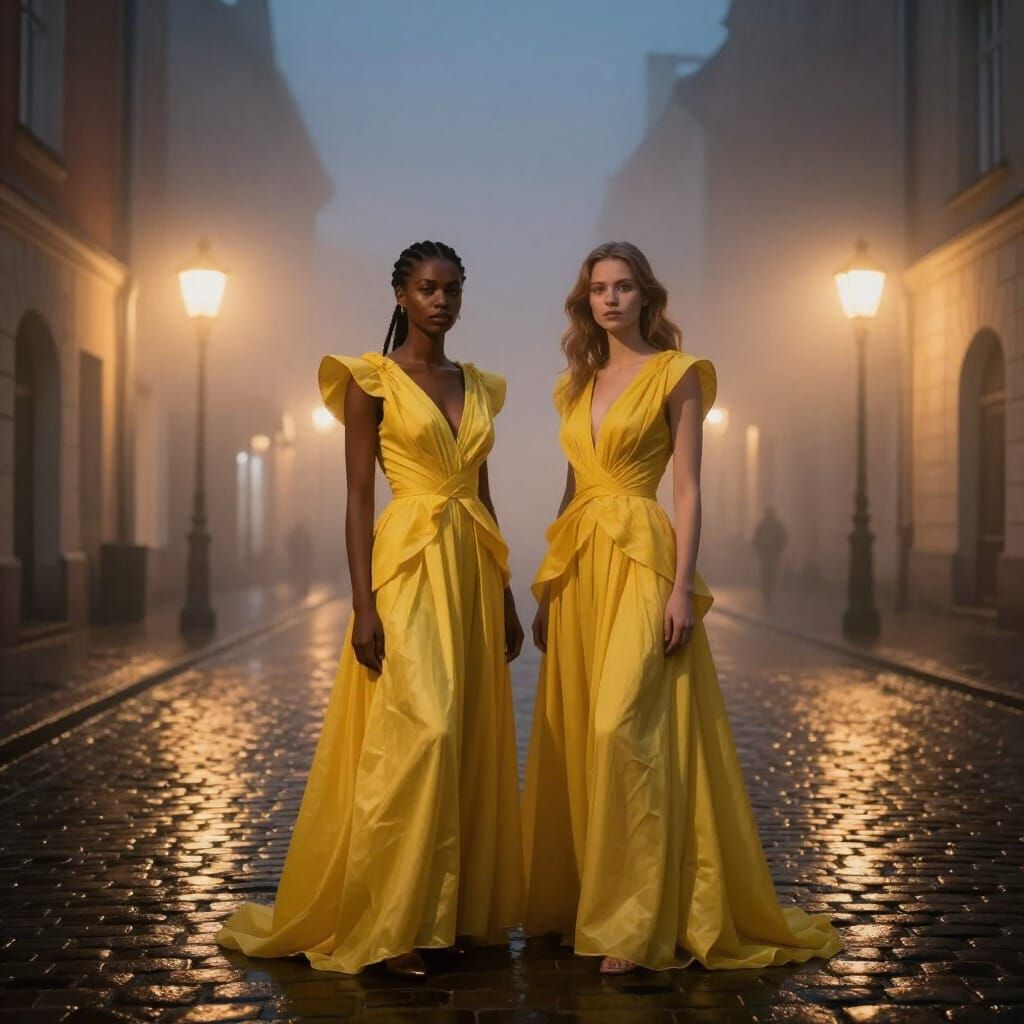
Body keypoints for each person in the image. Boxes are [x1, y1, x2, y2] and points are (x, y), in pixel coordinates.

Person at [521, 241, 842, 975]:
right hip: (579, 569)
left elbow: (690, 488)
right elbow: (573, 488)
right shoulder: (575, 385)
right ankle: (586, 900)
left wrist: (680, 586)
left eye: (624, 286)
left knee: (622, 730)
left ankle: (633, 919)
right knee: (578, 736)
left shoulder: (679, 374)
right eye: (599, 288)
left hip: (641, 557)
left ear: (646, 297)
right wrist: (548, 583)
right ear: (586, 301)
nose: (610, 299)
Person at [218, 241, 525, 978]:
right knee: (421, 734)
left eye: (452, 288)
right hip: (408, 566)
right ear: (400, 296)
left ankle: (438, 913)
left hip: (472, 573)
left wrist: (507, 593)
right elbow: (358, 501)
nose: (441, 301)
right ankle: (389, 923)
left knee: (465, 742)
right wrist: (363, 605)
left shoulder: (475, 383)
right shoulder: (372, 382)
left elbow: (480, 494)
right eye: (426, 288)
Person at [752, 506, 788, 606]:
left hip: (774, 554)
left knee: (772, 573)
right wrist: (760, 551)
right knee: (765, 573)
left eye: (771, 514)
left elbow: (784, 538)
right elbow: (755, 539)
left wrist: (779, 549)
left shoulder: (777, 525)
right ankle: (766, 593)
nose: (769, 516)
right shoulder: (762, 526)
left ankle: (769, 590)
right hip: (765, 555)